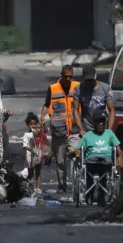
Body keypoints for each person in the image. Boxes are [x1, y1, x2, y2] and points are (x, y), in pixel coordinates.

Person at [41, 65, 80, 193]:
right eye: (66, 76)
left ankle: (78, 184)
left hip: (74, 130)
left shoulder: (77, 86)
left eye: (70, 76)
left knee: (77, 155)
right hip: (59, 131)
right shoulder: (53, 88)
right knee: (60, 161)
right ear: (61, 75)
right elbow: (47, 105)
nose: (68, 79)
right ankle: (62, 186)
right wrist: (42, 116)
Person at [75, 113, 123, 206]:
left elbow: (118, 148)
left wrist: (120, 157)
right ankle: (89, 194)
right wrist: (78, 154)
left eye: (102, 122)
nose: (101, 124)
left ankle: (102, 196)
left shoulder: (109, 133)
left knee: (104, 175)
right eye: (98, 122)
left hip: (106, 162)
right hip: (91, 162)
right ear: (94, 124)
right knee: (88, 175)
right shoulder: (88, 135)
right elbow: (78, 148)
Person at [73, 64, 116, 135]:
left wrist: (109, 129)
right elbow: (75, 110)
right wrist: (80, 129)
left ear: (95, 76)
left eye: (91, 79)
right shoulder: (78, 89)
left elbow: (111, 110)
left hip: (102, 127)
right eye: (87, 80)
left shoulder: (105, 88)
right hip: (86, 129)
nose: (89, 82)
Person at [22, 112, 45, 194]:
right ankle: (28, 186)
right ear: (28, 125)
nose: (33, 125)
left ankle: (38, 188)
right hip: (29, 156)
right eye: (31, 124)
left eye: (34, 124)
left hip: (38, 154)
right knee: (30, 172)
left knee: (38, 171)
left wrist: (42, 125)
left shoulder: (38, 132)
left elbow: (44, 132)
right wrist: (31, 149)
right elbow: (24, 146)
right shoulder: (27, 134)